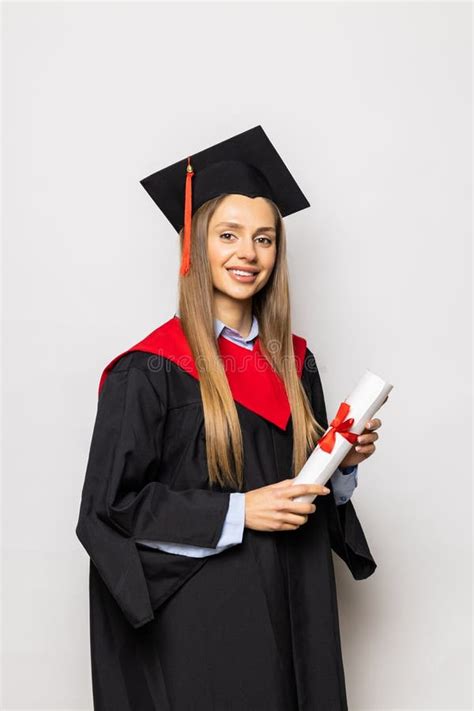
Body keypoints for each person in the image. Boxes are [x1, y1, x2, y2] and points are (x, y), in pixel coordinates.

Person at [75, 125, 381, 710]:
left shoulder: (295, 362)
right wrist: (241, 511)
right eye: (229, 235)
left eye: (264, 239)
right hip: (206, 623)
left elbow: (305, 492)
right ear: (195, 244)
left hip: (297, 604)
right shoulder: (151, 369)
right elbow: (109, 510)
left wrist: (341, 460)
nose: (249, 253)